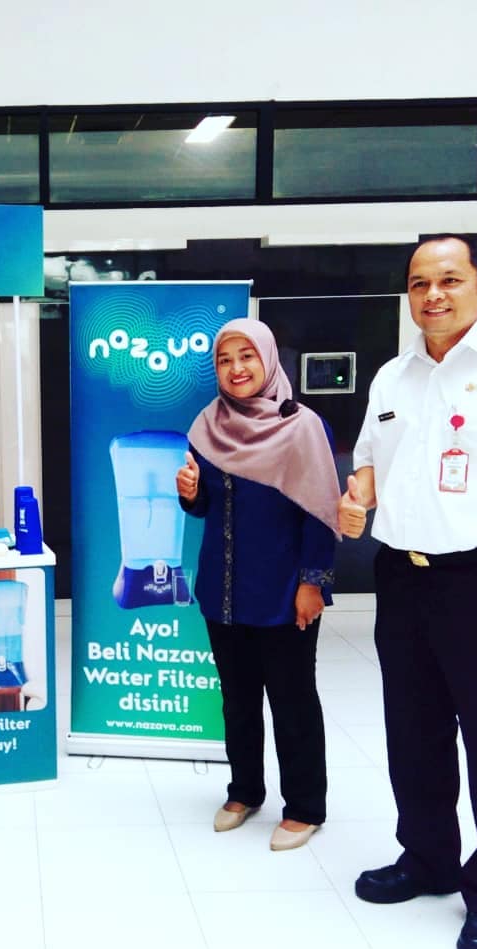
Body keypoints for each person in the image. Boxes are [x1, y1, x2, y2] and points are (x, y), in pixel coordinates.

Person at [339, 234, 477, 949]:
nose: (433, 294)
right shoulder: (392, 377)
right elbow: (370, 461)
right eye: (420, 282)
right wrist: (357, 495)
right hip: (402, 575)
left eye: (449, 280)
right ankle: (428, 858)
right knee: (414, 729)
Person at [176, 317, 340, 852]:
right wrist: (190, 494)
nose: (236, 368)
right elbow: (206, 506)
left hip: (283, 589)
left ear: (267, 359)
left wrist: (313, 583)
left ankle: (305, 806)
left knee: (292, 700)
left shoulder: (304, 427)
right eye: (225, 359)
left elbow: (321, 512)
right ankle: (244, 790)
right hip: (223, 588)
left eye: (246, 356)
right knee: (237, 699)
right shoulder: (207, 425)